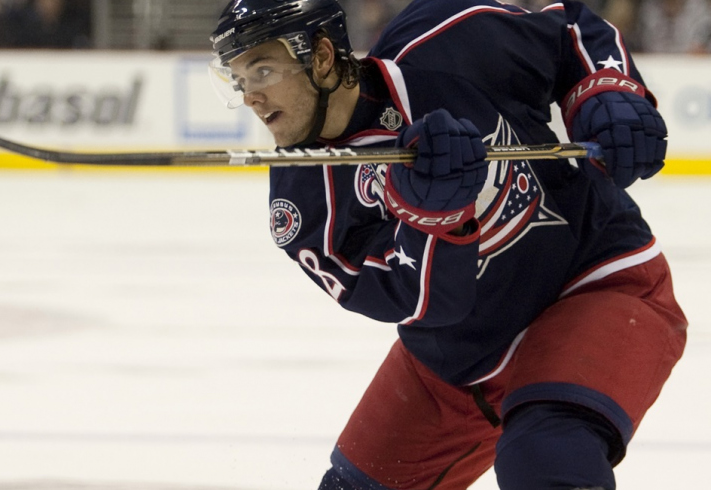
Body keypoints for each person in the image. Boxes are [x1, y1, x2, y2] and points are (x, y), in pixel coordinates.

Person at [208, 0, 687, 488]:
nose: (250, 96)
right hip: (457, 359)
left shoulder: (447, 38)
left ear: (324, 56)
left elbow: (570, 31)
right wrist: (431, 218)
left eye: (262, 70)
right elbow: (426, 305)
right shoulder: (303, 205)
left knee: (546, 457)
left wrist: (605, 90)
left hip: (592, 283)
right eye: (239, 79)